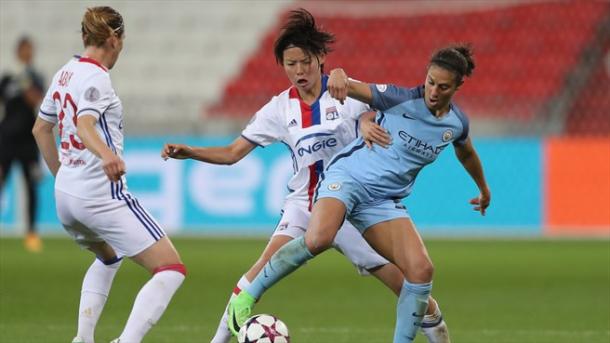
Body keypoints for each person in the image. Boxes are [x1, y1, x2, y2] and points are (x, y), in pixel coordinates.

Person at [163, 9, 450, 343]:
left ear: (321, 58)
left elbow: (385, 107)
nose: (299, 71)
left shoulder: (346, 91)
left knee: (404, 282)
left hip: (354, 205)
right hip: (305, 204)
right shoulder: (278, 109)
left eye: (305, 62)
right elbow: (232, 153)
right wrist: (190, 151)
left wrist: (367, 121)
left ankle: (439, 334)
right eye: (290, 64)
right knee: (256, 274)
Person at [229, 43, 491, 343]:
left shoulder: (456, 124)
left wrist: (483, 188)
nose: (433, 91)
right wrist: (339, 75)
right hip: (346, 178)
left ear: (458, 85)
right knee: (319, 238)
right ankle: (248, 294)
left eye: (443, 87)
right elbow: (347, 87)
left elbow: (467, 153)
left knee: (421, 270)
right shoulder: (399, 99)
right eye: (430, 82)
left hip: (382, 201)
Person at [31, 7, 186, 343]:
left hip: (66, 198)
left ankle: (82, 339)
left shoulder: (64, 73)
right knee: (171, 269)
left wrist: (63, 177)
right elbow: (86, 124)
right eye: (122, 41)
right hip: (99, 196)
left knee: (109, 256)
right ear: (114, 39)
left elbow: (41, 128)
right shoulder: (96, 77)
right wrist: (107, 156)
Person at [0, 36, 45, 252]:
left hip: (28, 141)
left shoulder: (35, 78)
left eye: (30, 50)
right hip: (6, 139)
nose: (27, 53)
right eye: (24, 50)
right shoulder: (8, 78)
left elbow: (38, 102)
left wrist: (26, 84)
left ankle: (31, 233)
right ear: (18, 52)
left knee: (31, 186)